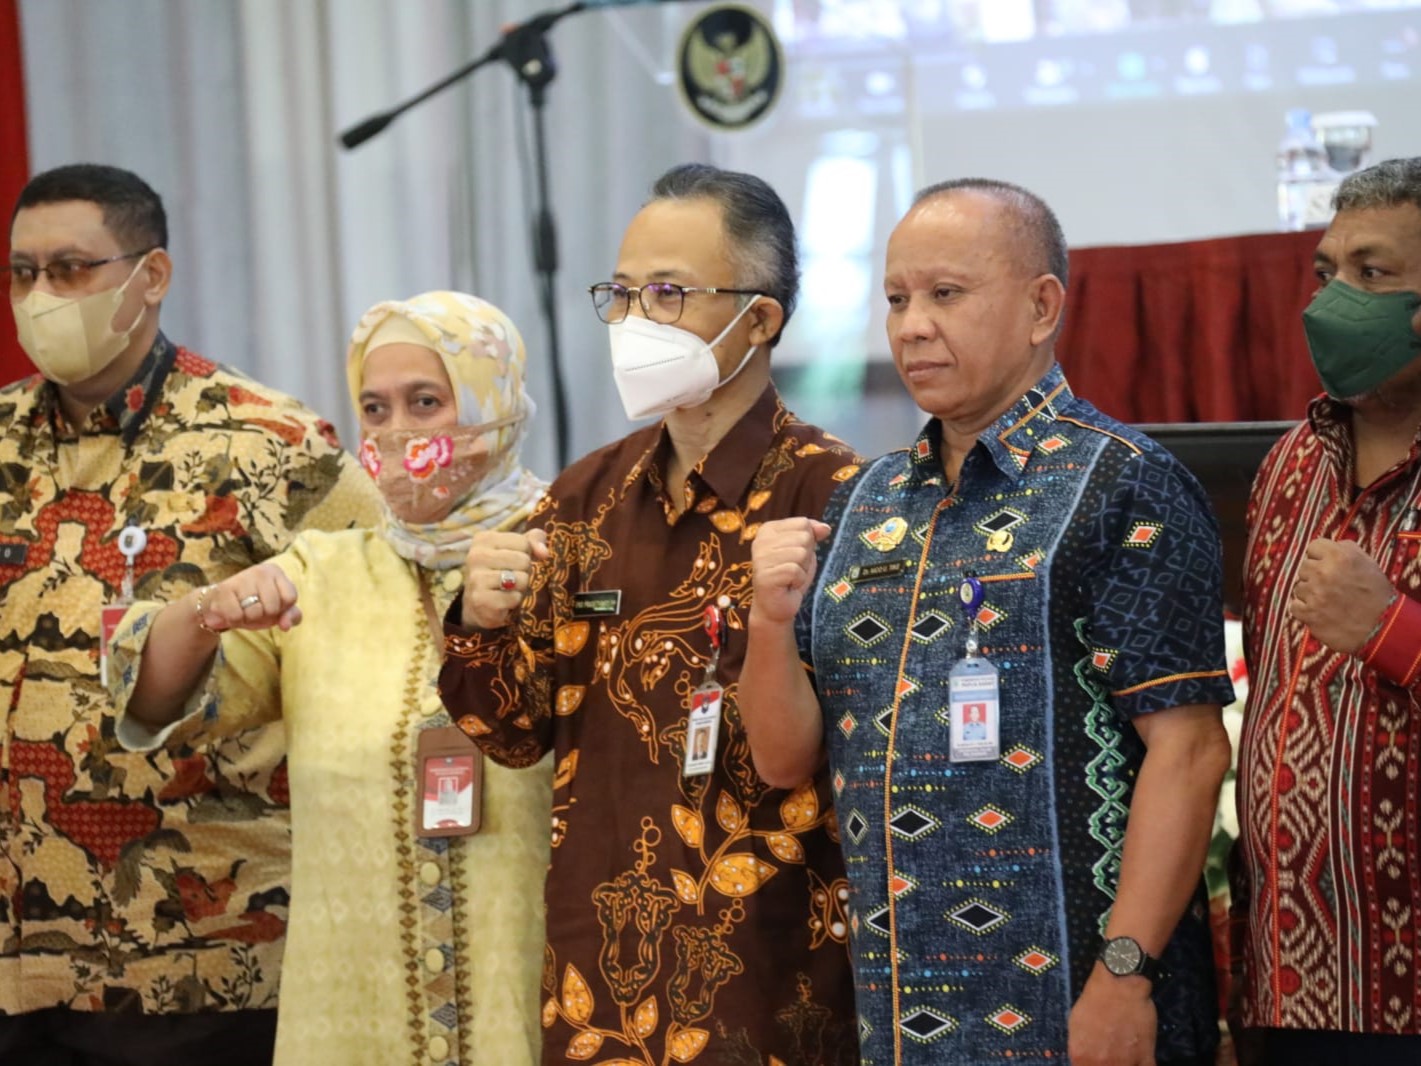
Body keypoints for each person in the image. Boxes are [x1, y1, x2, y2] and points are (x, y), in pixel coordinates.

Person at [739, 178, 1235, 1064]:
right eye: (895, 298)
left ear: (1042, 307)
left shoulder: (1125, 483)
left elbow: (1189, 751)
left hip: (1083, 1003)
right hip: (901, 1012)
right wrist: (769, 626)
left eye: (945, 294)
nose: (911, 324)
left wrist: (1125, 976)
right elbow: (785, 758)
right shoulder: (865, 501)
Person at [438, 163, 861, 1066]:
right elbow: (512, 733)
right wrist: (478, 616)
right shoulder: (583, 497)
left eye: (668, 293)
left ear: (761, 318)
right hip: (599, 986)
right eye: (622, 294)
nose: (635, 322)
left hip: (768, 978)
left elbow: (850, 760)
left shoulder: (838, 498)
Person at [106, 291, 553, 1065]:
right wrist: (205, 612)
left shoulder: (579, 559)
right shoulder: (320, 574)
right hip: (355, 1020)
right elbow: (155, 703)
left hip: (536, 999)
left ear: (496, 401)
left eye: (426, 402)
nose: (396, 433)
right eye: (374, 411)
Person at [0, 163, 379, 1065]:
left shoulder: (271, 442)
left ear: (152, 275)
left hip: (203, 958)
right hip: (16, 961)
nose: (41, 294)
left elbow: (388, 617)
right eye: (22, 272)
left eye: (71, 268)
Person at [1233, 157, 1421, 1065]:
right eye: (1325, 273)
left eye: (1372, 274)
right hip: (1287, 984)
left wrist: (1394, 634)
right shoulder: (1284, 468)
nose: (1331, 301)